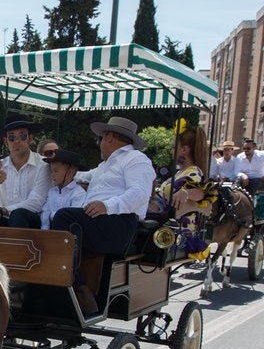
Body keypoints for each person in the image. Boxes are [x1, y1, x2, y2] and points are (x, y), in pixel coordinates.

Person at [50, 116, 156, 314]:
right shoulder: (106, 166)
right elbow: (82, 176)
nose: (99, 144)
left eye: (100, 139)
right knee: (59, 220)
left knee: (64, 217)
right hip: (101, 223)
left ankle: (79, 288)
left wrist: (107, 206)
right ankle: (65, 285)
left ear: (109, 137)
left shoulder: (137, 159)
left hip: (119, 224)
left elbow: (140, 193)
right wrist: (55, 167)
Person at [152, 123, 212, 260]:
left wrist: (186, 192)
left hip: (176, 235)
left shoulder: (194, 172)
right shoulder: (179, 173)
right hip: (163, 227)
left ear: (184, 149)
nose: (171, 151)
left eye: (173, 148)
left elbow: (201, 192)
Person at [39, 148, 87, 229]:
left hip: (66, 234)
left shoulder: (78, 193)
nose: (52, 175)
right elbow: (45, 211)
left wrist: (53, 216)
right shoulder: (52, 192)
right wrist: (45, 229)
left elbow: (71, 217)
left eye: (56, 171)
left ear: (69, 172)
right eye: (51, 171)